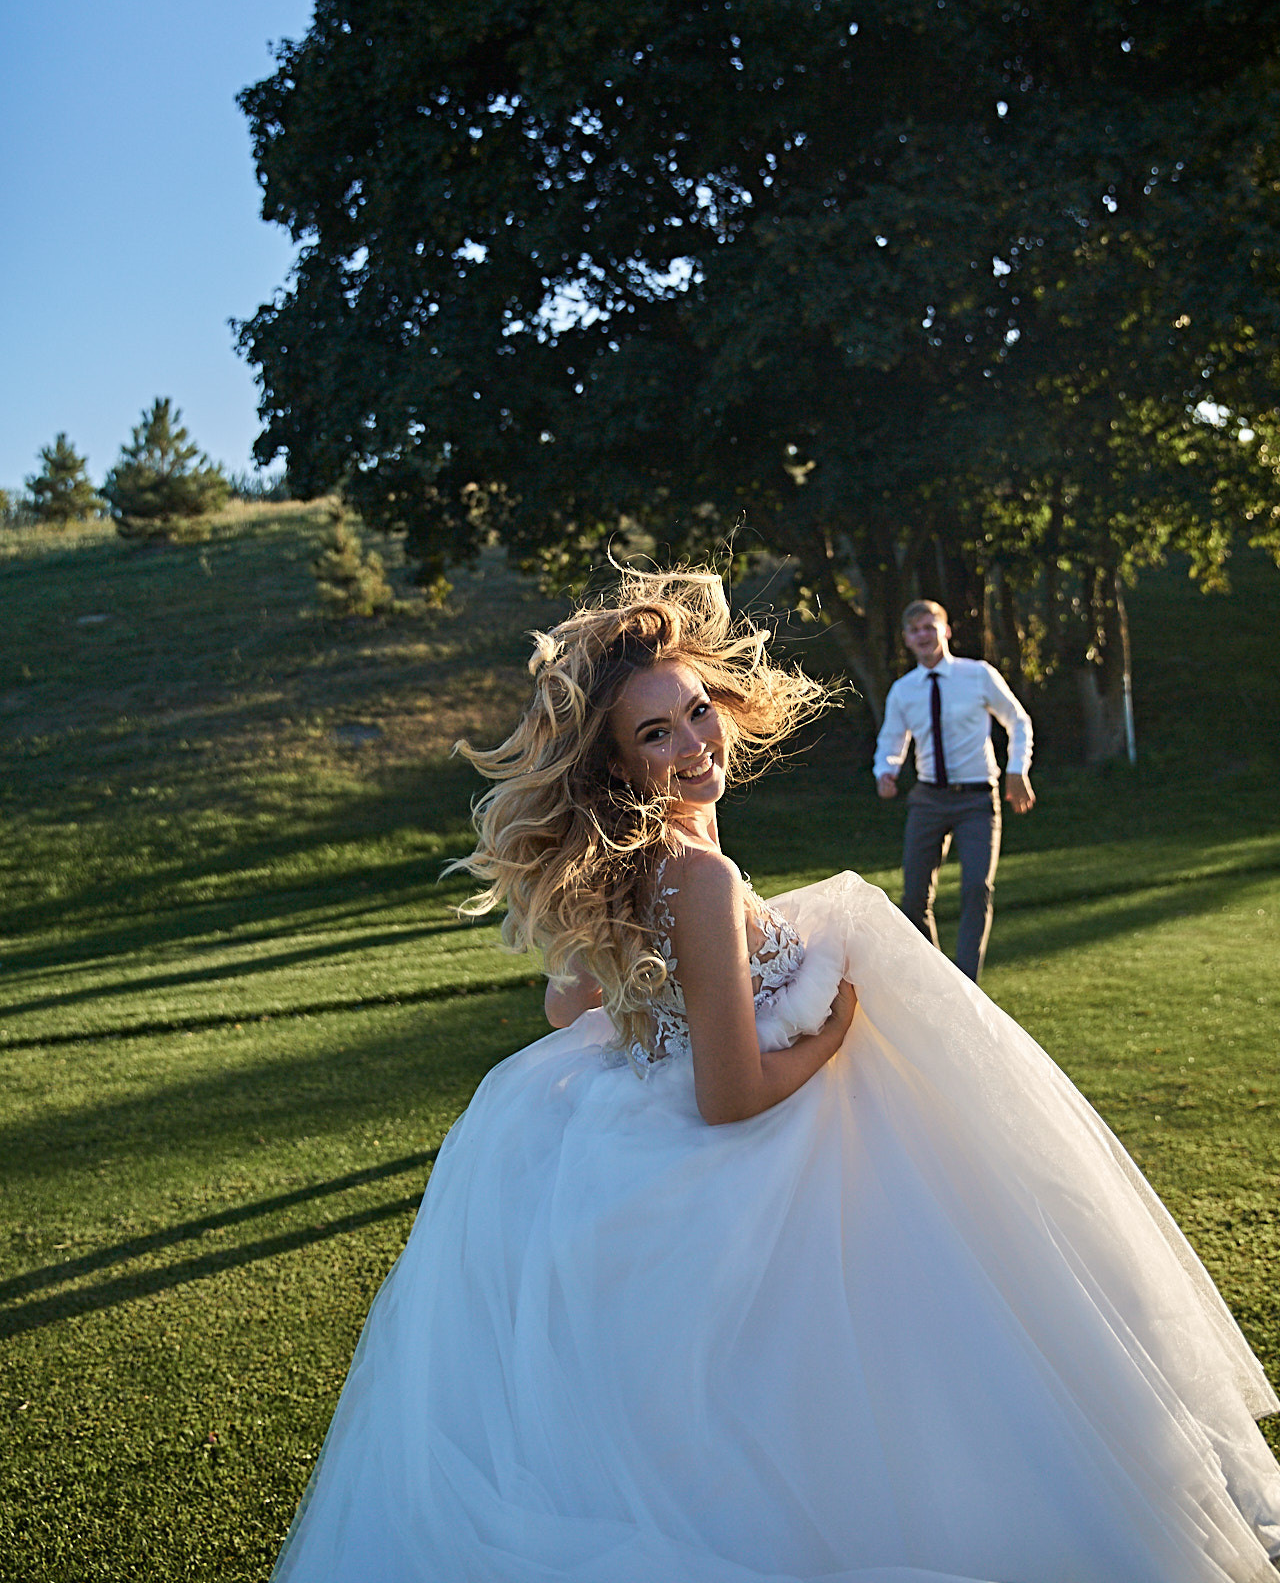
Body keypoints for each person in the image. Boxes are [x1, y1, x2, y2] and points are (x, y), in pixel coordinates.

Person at [270, 567, 1280, 1583]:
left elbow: (561, 1001)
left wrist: (653, 990)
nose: (693, 741)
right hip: (731, 1152)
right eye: (655, 734)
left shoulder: (648, 860)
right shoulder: (694, 874)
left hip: (630, 1124)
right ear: (618, 765)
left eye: (696, 711)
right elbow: (728, 1096)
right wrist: (830, 1032)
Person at [874, 597, 1034, 980]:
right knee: (913, 900)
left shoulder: (978, 674)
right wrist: (886, 770)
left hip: (978, 798)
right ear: (907, 640)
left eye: (930, 626)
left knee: (976, 889)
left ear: (945, 630)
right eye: (915, 630)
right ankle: (941, 983)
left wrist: (1017, 770)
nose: (923, 635)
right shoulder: (903, 690)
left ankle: (967, 982)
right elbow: (892, 739)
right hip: (929, 798)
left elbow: (1018, 720)